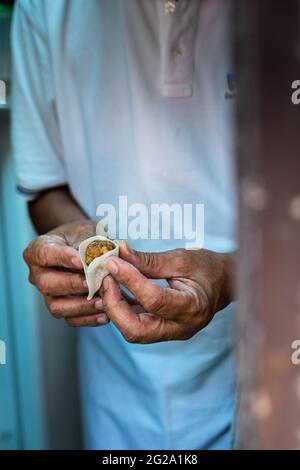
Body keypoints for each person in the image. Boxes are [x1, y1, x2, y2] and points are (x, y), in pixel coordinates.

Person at [12, 0, 237, 449]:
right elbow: (45, 186)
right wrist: (76, 238)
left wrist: (233, 277)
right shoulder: (41, 8)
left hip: (267, 363)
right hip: (116, 379)